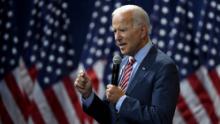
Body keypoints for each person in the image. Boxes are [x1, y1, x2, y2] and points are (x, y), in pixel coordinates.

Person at [74, 4, 180, 124]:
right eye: (115, 31)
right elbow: (110, 117)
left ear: (142, 31)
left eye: (123, 30)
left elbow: (160, 119)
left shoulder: (164, 67)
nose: (117, 37)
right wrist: (88, 95)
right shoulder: (121, 63)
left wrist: (122, 100)